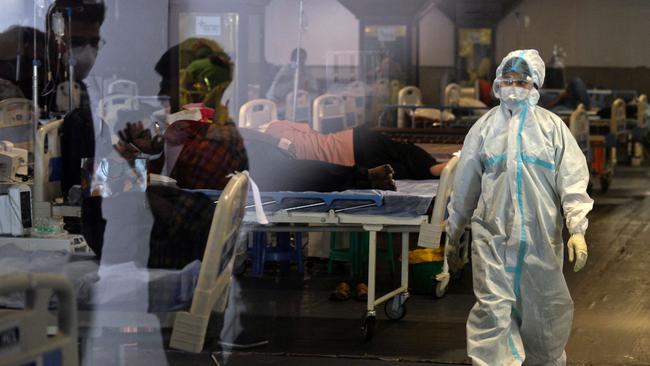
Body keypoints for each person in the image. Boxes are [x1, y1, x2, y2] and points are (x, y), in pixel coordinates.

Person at [445, 49, 593, 365]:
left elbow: (572, 181)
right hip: (492, 237)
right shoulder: (484, 129)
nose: (513, 86)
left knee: (544, 310)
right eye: (508, 79)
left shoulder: (552, 128)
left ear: (535, 84)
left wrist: (577, 228)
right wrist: (453, 231)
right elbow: (464, 186)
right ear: (499, 82)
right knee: (492, 310)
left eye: (521, 81)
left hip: (540, 237)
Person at [256, 120, 447, 179]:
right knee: (403, 150)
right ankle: (436, 167)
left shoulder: (272, 161)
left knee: (397, 170)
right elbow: (312, 131)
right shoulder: (275, 126)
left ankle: (435, 171)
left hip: (349, 167)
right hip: (352, 141)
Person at [265, 47, 318, 117]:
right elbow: (278, 92)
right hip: (277, 104)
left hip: (299, 105)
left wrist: (304, 99)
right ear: (291, 59)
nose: (300, 61)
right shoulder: (286, 71)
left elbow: (313, 92)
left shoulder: (307, 73)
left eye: (302, 58)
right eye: (297, 58)